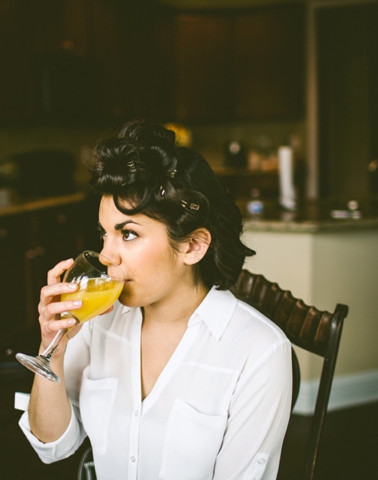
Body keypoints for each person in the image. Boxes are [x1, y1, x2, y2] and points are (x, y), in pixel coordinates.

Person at [19, 120, 292, 479]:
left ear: (193, 246)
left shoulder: (258, 353)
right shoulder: (98, 317)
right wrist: (51, 349)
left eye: (128, 234)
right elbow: (52, 445)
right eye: (105, 235)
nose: (106, 257)